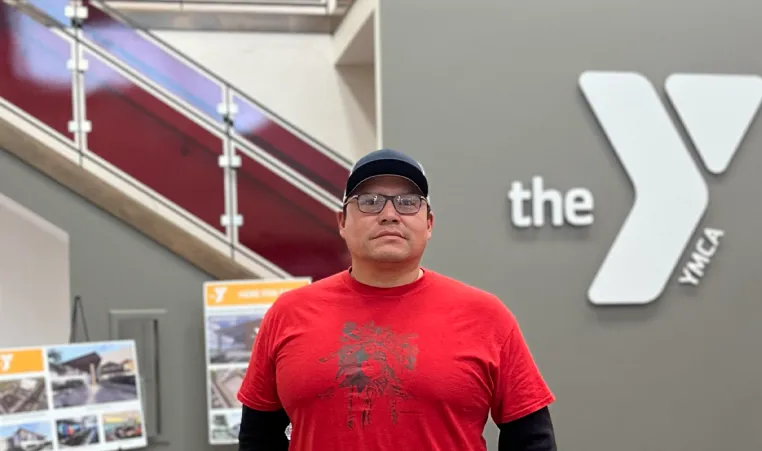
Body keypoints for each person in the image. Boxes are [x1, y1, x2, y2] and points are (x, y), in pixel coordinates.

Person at [236, 148, 557, 451]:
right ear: (342, 223)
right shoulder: (289, 313)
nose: (389, 214)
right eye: (370, 201)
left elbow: (531, 438)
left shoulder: (487, 316)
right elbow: (258, 436)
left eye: (407, 202)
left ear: (429, 223)